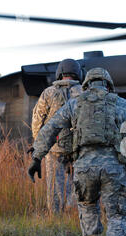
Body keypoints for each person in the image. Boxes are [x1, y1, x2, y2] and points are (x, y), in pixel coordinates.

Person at [27, 67, 126, 236]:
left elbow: (50, 128)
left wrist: (37, 157)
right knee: (116, 214)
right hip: (113, 166)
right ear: (108, 85)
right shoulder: (120, 104)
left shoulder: (75, 104)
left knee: (88, 207)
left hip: (83, 167)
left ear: (86, 85)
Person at [31, 58, 83, 213]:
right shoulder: (84, 93)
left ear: (59, 73)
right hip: (79, 149)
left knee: (54, 188)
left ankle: (56, 220)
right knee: (80, 186)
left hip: (54, 148)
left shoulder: (48, 93)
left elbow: (37, 121)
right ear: (78, 73)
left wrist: (39, 144)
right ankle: (75, 215)